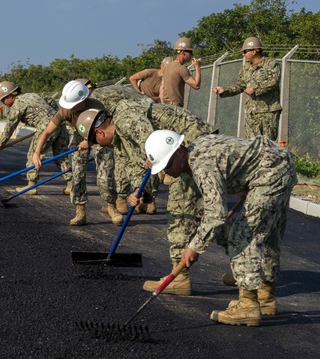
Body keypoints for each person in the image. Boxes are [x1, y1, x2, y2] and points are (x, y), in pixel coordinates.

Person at [144, 129, 296, 326]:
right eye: (164, 168)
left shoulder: (201, 164)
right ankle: (265, 297)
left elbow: (215, 214)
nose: (168, 171)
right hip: (275, 164)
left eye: (169, 164)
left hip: (271, 172)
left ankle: (248, 306)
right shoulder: (197, 151)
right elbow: (240, 159)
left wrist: (194, 247)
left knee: (244, 234)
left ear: (181, 151)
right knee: (267, 233)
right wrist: (248, 181)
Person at [77, 100, 216, 295]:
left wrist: (145, 188)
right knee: (212, 211)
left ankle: (180, 278)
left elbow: (153, 151)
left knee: (181, 209)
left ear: (100, 133)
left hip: (188, 146)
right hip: (178, 152)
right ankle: (251, 278)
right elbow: (138, 166)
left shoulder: (126, 121)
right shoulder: (121, 141)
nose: (98, 146)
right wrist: (139, 191)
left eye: (94, 142)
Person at [31, 79, 117, 225]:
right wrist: (37, 152)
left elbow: (105, 130)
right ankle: (80, 211)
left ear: (83, 99)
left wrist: (89, 141)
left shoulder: (96, 106)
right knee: (77, 174)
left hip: (98, 136)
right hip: (79, 136)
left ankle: (111, 206)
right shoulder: (65, 111)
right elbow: (46, 132)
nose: (72, 108)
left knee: (105, 174)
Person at [0, 80, 72, 200]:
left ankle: (31, 185)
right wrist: (51, 117)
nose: (3, 102)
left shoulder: (17, 105)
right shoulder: (32, 95)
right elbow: (50, 100)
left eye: (3, 99)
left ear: (10, 96)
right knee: (61, 156)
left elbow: (10, 127)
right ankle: (70, 185)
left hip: (46, 127)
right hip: (59, 123)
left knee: (34, 154)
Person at [211, 36, 282, 141]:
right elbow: (241, 85)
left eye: (245, 51)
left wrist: (255, 88)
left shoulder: (271, 64)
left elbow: (273, 81)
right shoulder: (246, 68)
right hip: (251, 114)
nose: (243, 54)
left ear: (254, 51)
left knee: (267, 145)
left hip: (268, 112)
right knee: (252, 144)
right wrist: (225, 90)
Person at [161, 37, 201, 105]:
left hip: (165, 105)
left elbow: (162, 88)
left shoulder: (168, 66)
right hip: (175, 107)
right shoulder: (181, 68)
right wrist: (197, 67)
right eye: (190, 52)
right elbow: (196, 85)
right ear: (183, 52)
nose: (192, 55)